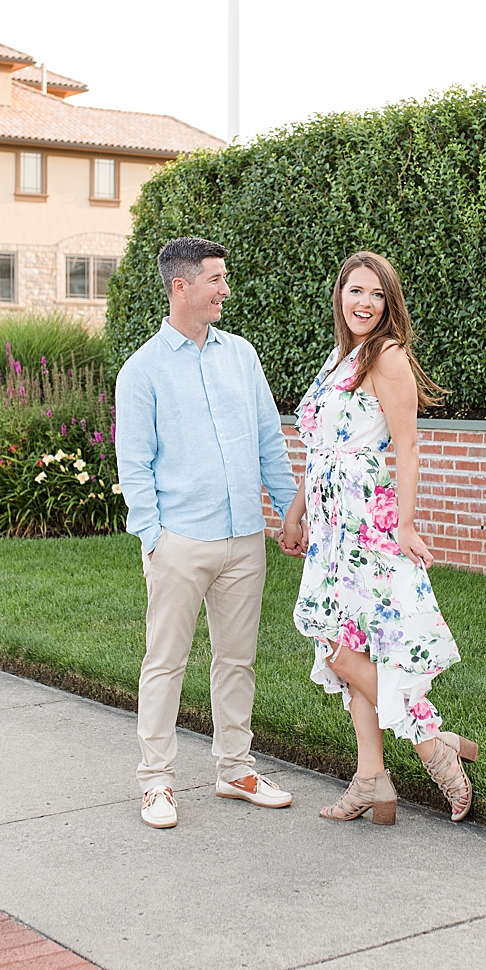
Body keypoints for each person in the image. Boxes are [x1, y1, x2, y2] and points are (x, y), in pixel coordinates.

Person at [279, 251, 476, 825]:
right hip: (330, 526)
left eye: (375, 294)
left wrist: (407, 525)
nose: (363, 303)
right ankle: (372, 778)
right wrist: (296, 512)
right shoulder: (340, 357)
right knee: (346, 647)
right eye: (354, 291)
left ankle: (430, 743)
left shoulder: (387, 356)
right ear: (340, 295)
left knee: (346, 653)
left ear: (389, 304)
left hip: (367, 522)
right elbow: (320, 452)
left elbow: (407, 449)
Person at [116, 236, 301, 830]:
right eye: (216, 279)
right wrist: (153, 535)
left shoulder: (241, 356)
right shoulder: (142, 370)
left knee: (237, 660)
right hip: (180, 541)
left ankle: (235, 768)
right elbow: (134, 463)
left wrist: (291, 510)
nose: (225, 289)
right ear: (181, 286)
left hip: (244, 537)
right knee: (165, 662)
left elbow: (269, 441)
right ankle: (156, 783)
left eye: (224, 278)